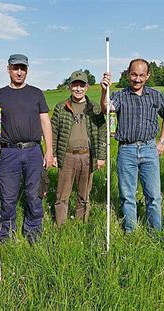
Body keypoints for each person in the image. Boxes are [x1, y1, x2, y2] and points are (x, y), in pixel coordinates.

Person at [100, 59, 164, 232]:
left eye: (141, 75)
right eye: (134, 74)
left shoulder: (156, 95)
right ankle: (131, 232)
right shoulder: (119, 95)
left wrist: (162, 141)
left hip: (149, 149)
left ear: (147, 76)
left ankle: (155, 232)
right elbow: (106, 109)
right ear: (128, 74)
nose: (137, 79)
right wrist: (104, 91)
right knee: (127, 196)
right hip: (127, 150)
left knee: (154, 196)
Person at [0, 54, 53, 244]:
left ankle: (33, 231)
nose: (19, 72)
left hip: (33, 151)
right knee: (7, 196)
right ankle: (6, 234)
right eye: (15, 68)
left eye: (22, 68)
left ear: (27, 70)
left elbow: (45, 122)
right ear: (8, 69)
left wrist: (49, 151)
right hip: (9, 152)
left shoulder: (36, 93)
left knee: (35, 195)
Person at [51, 70, 107, 226]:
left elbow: (102, 132)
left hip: (87, 156)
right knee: (62, 196)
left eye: (81, 85)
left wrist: (101, 157)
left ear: (87, 87)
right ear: (70, 87)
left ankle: (81, 225)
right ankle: (60, 226)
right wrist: (53, 154)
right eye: (75, 85)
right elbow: (53, 132)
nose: (78, 89)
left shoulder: (95, 109)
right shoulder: (60, 108)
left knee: (84, 195)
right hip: (67, 156)